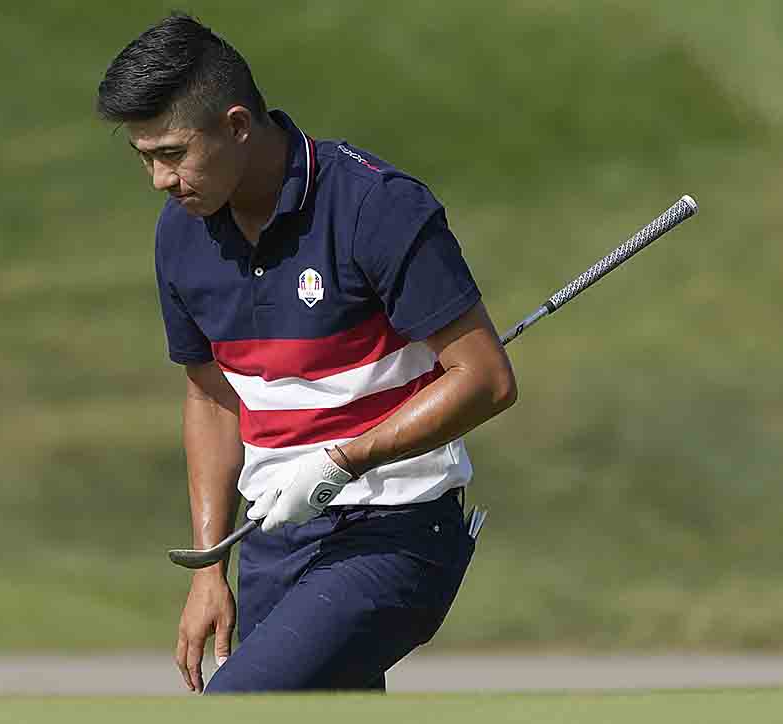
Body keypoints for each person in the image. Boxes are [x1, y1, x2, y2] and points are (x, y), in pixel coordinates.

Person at [96, 14, 517, 693]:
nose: (158, 180)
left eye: (172, 154)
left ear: (236, 125)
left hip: (396, 534)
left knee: (243, 704)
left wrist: (344, 458)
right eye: (145, 158)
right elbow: (210, 396)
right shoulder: (181, 234)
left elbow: (487, 379)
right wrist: (210, 570)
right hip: (272, 547)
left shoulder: (374, 207)